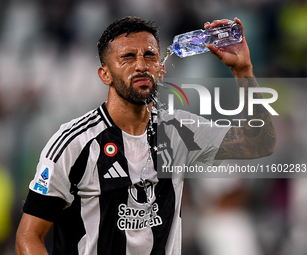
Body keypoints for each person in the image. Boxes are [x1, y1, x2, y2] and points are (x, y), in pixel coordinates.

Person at [15, 16, 276, 255]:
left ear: (161, 70)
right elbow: (28, 236)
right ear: (104, 74)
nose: (141, 65)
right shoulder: (74, 144)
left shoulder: (178, 131)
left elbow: (260, 141)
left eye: (150, 56)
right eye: (128, 57)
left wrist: (243, 71)